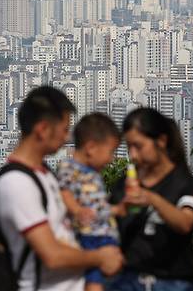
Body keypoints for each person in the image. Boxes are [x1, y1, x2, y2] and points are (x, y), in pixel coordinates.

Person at [0, 86, 124, 291]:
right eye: (64, 130)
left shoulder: (45, 175)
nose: (66, 138)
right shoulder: (17, 183)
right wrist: (101, 256)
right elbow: (51, 256)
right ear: (43, 129)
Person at [108, 108, 193, 291]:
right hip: (128, 280)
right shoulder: (124, 185)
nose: (134, 155)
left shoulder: (185, 184)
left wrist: (152, 199)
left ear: (161, 141)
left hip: (173, 281)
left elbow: (185, 223)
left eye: (139, 146)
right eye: (129, 147)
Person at [57, 113, 123, 291]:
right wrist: (77, 210)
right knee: (94, 281)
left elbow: (98, 205)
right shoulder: (69, 168)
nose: (111, 159)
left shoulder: (92, 173)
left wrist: (117, 209)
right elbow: (64, 192)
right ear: (91, 147)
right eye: (110, 152)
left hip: (103, 232)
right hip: (90, 235)